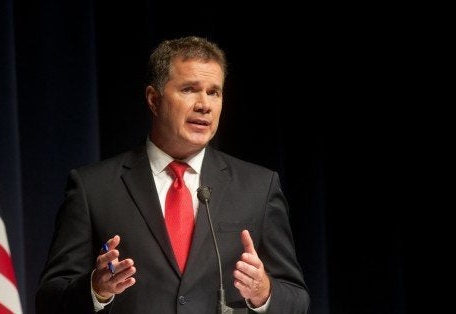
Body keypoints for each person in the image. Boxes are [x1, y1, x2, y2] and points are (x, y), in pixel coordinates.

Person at [35, 36, 309, 313]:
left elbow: (297, 299)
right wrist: (96, 289)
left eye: (214, 92)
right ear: (154, 100)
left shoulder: (258, 187)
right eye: (189, 89)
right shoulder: (93, 187)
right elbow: (50, 298)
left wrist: (264, 292)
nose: (205, 105)